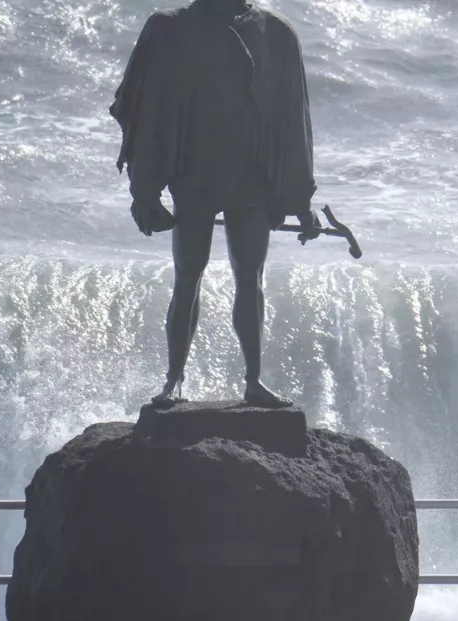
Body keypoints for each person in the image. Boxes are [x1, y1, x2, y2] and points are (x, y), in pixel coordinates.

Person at [110, 0, 323, 408]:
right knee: (187, 275)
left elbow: (294, 122)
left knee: (250, 277)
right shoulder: (170, 28)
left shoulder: (276, 32)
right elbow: (147, 109)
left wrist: (299, 200)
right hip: (195, 175)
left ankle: (254, 382)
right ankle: (174, 380)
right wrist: (145, 189)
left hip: (253, 179)